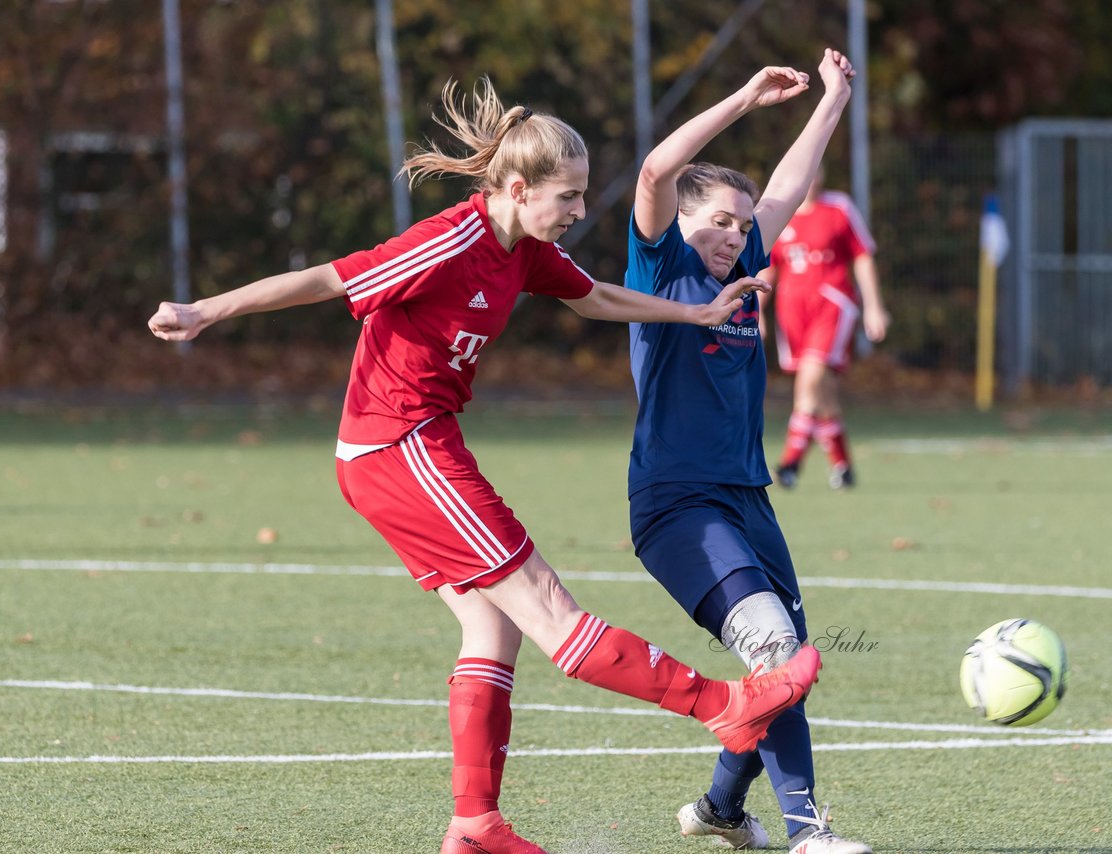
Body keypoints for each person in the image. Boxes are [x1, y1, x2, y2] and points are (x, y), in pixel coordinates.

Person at [149, 76, 822, 854]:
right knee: (546, 606)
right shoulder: (452, 239)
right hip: (398, 444)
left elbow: (596, 296)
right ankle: (721, 703)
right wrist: (206, 311)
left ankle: (474, 824)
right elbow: (330, 278)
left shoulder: (525, 250)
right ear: (516, 188)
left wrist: (694, 311)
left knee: (491, 624)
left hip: (412, 446)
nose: (577, 212)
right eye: (567, 197)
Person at [625, 51, 871, 854]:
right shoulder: (661, 266)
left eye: (740, 223)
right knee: (774, 649)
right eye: (718, 222)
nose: (733, 234)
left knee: (785, 667)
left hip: (748, 500)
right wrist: (746, 96)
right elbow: (660, 166)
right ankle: (808, 835)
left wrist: (831, 99)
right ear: (681, 225)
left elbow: (789, 189)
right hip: (677, 507)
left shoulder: (748, 262)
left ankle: (722, 808)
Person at [757, 167, 888, 490]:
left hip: (832, 304)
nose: (810, 179)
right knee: (823, 392)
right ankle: (843, 466)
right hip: (792, 311)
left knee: (810, 381)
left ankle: (789, 463)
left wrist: (874, 306)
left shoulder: (838, 208)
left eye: (815, 173)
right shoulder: (778, 213)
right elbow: (767, 269)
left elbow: (862, 256)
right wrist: (755, 311)